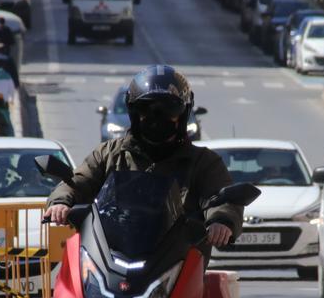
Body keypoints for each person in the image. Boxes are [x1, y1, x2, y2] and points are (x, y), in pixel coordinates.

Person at [42, 65, 244, 253]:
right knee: (68, 290)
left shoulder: (204, 162)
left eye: (168, 110)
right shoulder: (109, 153)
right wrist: (61, 202)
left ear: (183, 114)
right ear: (133, 112)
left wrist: (221, 221)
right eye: (146, 110)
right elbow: (78, 181)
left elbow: (221, 197)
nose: (156, 117)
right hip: (112, 257)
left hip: (179, 260)